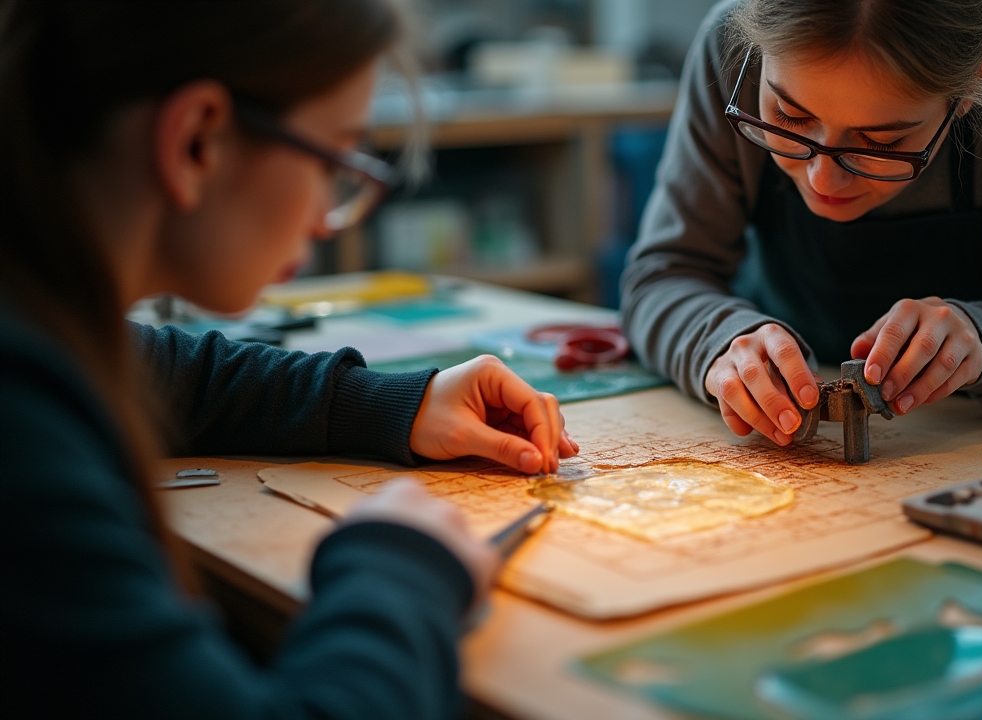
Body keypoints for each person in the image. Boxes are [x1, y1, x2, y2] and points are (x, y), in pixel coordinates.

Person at [0, 1, 577, 717]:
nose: (326, 215)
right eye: (336, 158)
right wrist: (395, 566)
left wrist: (390, 402)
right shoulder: (19, 414)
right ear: (196, 143)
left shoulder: (44, 319)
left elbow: (167, 373)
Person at [621, 0, 982, 447]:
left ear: (971, 88)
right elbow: (664, 277)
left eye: (882, 144)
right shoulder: (733, 46)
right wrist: (720, 342)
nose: (823, 179)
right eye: (788, 116)